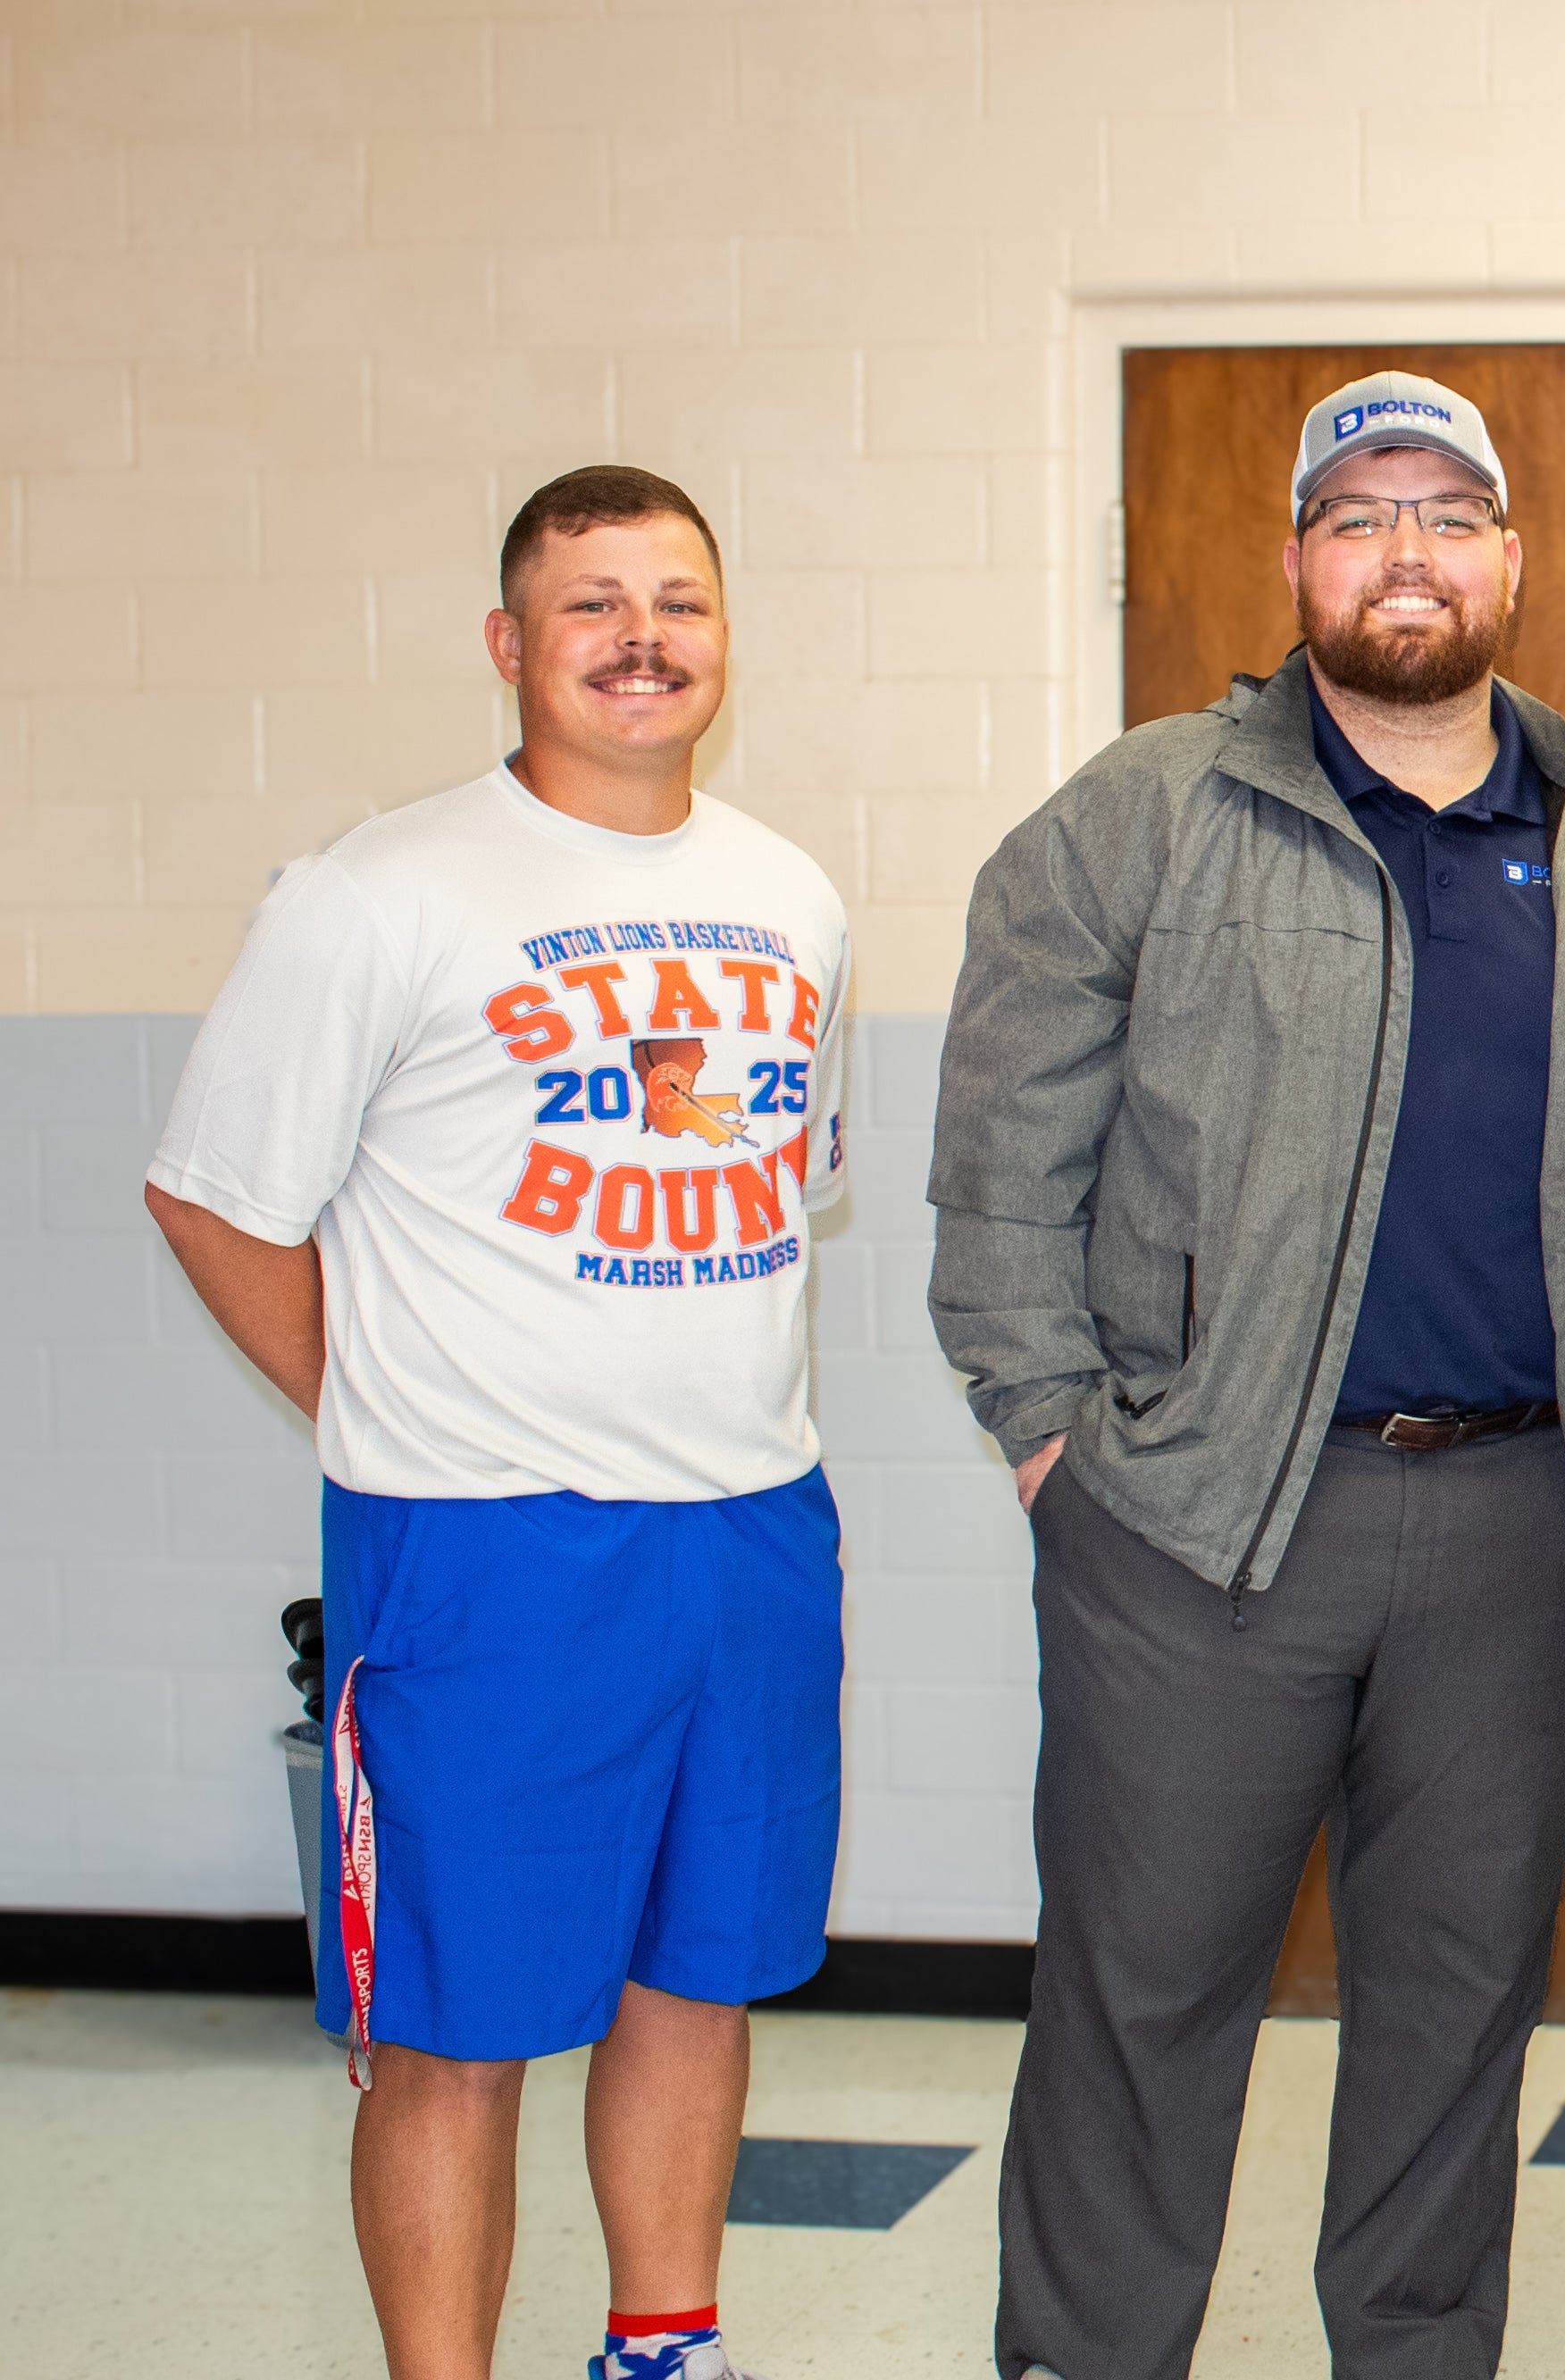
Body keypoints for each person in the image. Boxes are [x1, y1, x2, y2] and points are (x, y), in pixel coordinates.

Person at [925, 372, 1565, 2380]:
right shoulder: (1141, 814)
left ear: (1509, 561)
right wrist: (1057, 1445)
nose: (1405, 551)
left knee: (1455, 2024)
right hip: (1196, 1535)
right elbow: (1000, 1162)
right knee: (1141, 2010)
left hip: (1529, 1534)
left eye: (1447, 512)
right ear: (1294, 558)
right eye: (1360, 513)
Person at [145, 464, 849, 2380]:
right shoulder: (379, 891)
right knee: (454, 2019)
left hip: (749, 1521)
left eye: (678, 600)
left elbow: (789, 1179)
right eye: (592, 602)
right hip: (481, 1539)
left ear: (723, 634)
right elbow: (212, 1193)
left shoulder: (788, 890)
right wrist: (373, 1396)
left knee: (699, 1971)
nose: (642, 638)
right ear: (509, 644)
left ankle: (664, 2344)